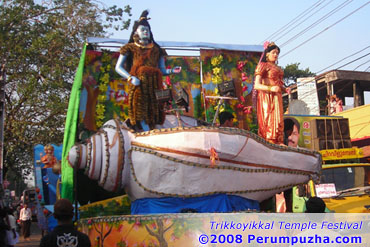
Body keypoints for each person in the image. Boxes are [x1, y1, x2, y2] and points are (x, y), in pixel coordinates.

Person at [115, 10, 181, 131]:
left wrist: (172, 71)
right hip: (139, 85)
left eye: (147, 29)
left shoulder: (157, 50)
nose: (145, 31)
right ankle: (147, 132)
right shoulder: (130, 48)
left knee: (154, 112)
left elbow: (161, 70)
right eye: (142, 29)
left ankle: (151, 131)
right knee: (140, 112)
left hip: (154, 85)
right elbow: (118, 67)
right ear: (136, 32)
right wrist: (131, 77)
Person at [254, 42, 290, 145]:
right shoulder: (262, 66)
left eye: (277, 53)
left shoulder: (278, 69)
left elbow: (278, 84)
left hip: (276, 96)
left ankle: (278, 140)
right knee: (268, 118)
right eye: (273, 52)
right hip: (266, 96)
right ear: (267, 54)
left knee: (278, 119)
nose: (276, 55)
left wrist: (284, 89)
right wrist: (271, 88)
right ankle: (269, 140)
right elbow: (256, 85)